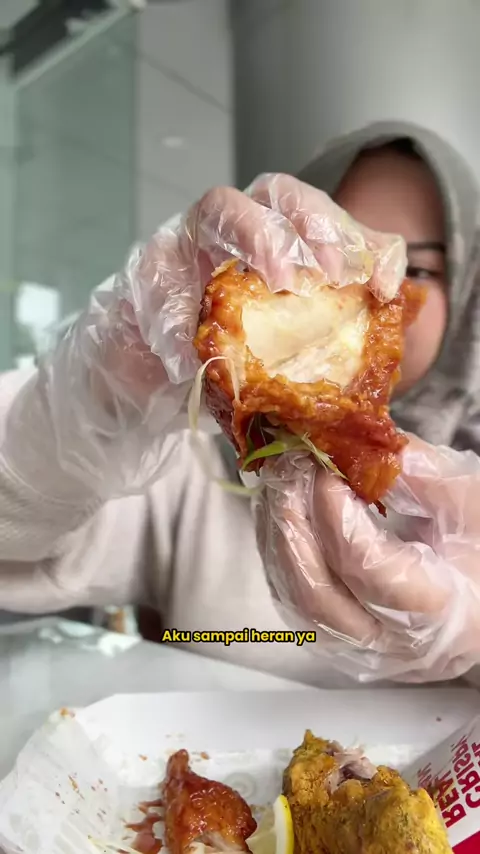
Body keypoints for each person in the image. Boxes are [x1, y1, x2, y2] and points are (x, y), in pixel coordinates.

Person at [1, 120, 479, 687]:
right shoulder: (184, 459)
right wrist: (89, 405)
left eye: (418, 269)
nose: (381, 290)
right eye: (335, 258)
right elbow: (15, 546)